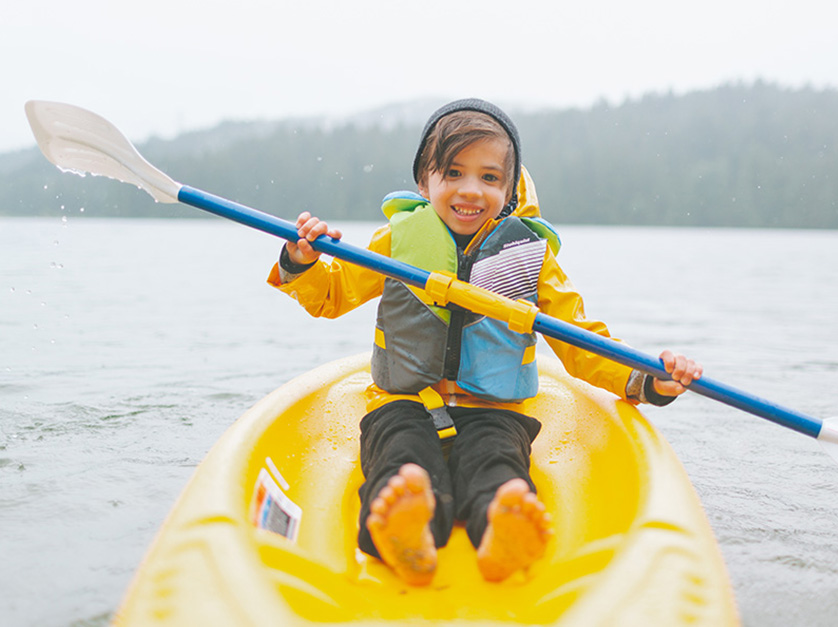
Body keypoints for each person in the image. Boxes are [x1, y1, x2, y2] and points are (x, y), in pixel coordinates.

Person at [267, 98, 702, 586]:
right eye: (453, 173)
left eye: (490, 178)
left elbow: (582, 343)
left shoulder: (529, 258)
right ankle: (406, 528)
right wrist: (301, 261)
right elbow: (332, 293)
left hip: (494, 411)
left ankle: (502, 524)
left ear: (510, 189)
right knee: (399, 454)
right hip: (403, 400)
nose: (470, 190)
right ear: (424, 182)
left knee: (496, 461)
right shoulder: (396, 240)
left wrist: (648, 380)